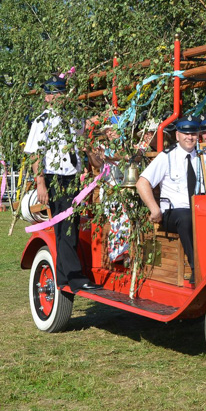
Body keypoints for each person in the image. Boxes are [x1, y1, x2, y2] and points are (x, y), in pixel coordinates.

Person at [24, 75, 99, 292]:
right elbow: (35, 154)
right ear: (47, 97)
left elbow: (80, 144)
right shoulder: (42, 121)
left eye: (62, 93)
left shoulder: (74, 118)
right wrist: (40, 183)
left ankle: (64, 276)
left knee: (70, 225)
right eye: (55, 94)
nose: (59, 97)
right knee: (66, 227)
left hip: (73, 177)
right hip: (55, 178)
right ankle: (75, 277)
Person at [136, 115, 206, 283]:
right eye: (185, 133)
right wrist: (154, 209)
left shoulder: (205, 157)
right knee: (186, 217)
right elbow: (142, 183)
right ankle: (197, 269)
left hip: (201, 212)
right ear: (177, 135)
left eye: (194, 133)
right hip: (172, 214)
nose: (190, 137)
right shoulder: (166, 157)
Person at [86, 114, 130, 263]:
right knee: (118, 212)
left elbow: (126, 156)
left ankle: (125, 251)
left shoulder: (128, 145)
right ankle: (118, 253)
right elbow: (97, 164)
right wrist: (89, 152)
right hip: (111, 191)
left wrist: (108, 156)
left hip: (128, 190)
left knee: (126, 210)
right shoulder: (102, 147)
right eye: (107, 131)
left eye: (112, 130)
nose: (109, 133)